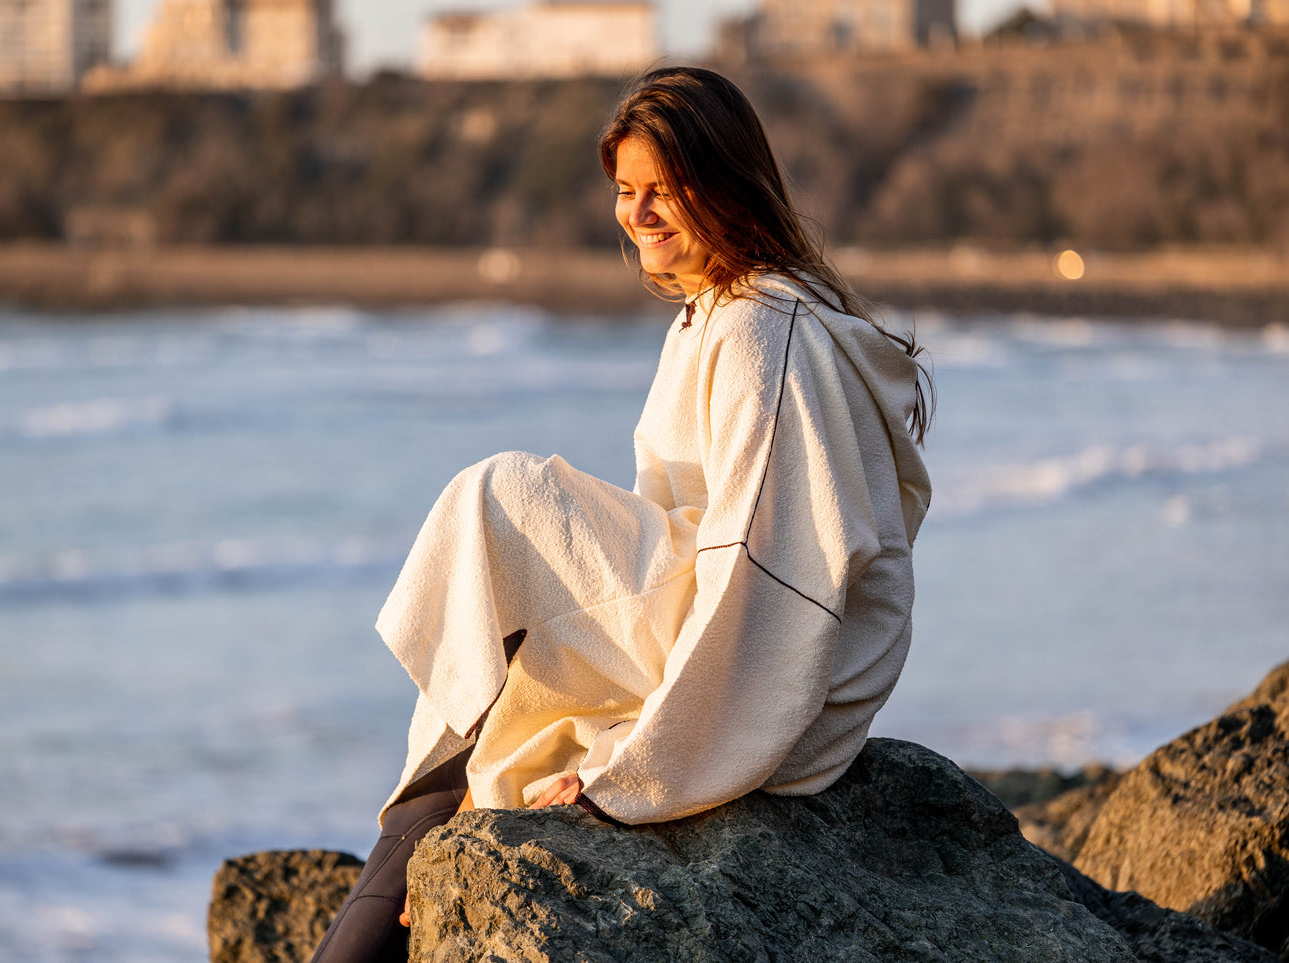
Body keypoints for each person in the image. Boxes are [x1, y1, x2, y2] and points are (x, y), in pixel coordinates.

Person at [307, 65, 933, 963]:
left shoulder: (761, 330)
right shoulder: (718, 312)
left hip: (768, 680)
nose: (635, 214)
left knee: (502, 504)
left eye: (661, 192)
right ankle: (413, 860)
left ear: (721, 187)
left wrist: (628, 775)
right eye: (624, 192)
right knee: (496, 611)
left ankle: (387, 892)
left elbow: (767, 572)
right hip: (728, 655)